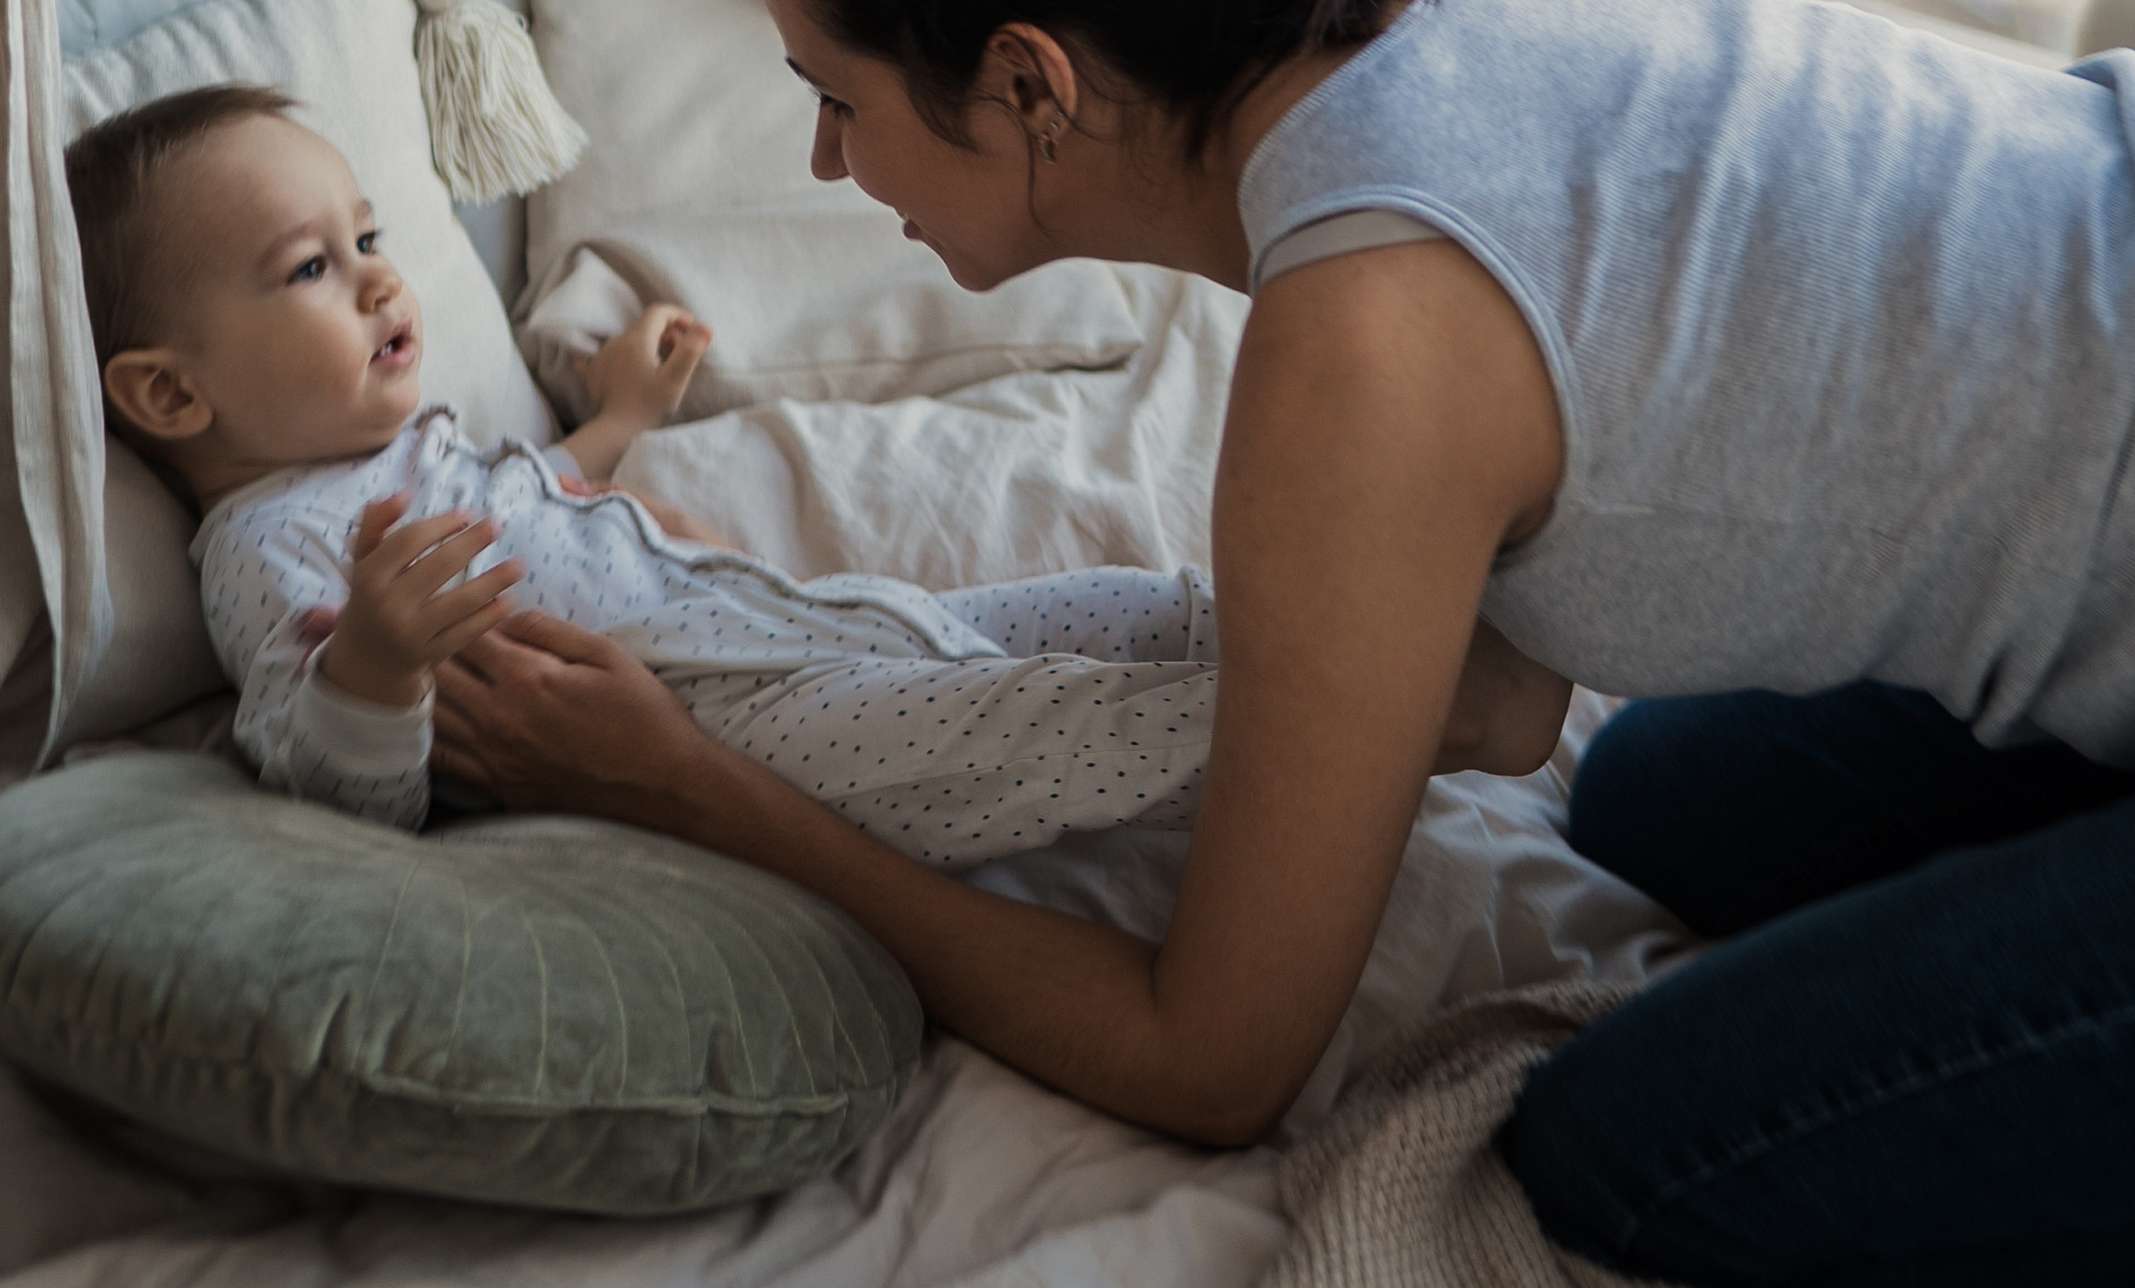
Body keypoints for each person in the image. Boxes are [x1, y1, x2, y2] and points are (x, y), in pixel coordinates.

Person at [424, 0, 2135, 1288]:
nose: (825, 159)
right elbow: (1495, 705)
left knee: (1632, 1160)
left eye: (835, 97)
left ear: (1030, 80)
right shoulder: (1428, 30)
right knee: (1657, 795)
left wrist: (697, 787)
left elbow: (1214, 1064)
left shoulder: (1367, 338)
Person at [65, 84, 1317, 861]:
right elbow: (327, 791)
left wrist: (616, 418)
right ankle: (1346, 747)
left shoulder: (403, 452)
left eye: (368, 237)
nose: (380, 277)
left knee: (1101, 613)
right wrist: (377, 665)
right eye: (310, 266)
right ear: (170, 392)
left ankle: (1334, 655)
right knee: (1039, 729)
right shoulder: (267, 541)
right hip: (713, 725)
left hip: (785, 623)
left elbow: (526, 506)